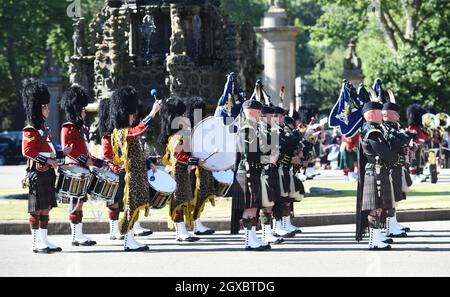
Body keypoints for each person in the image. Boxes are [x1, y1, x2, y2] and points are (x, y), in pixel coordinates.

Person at [110, 86, 161, 251]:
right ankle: (128, 240)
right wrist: (152, 113)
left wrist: (150, 161)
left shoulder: (126, 130)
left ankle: (130, 239)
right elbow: (138, 130)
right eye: (131, 113)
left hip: (137, 175)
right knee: (131, 206)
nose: (133, 117)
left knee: (136, 205)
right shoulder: (121, 132)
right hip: (130, 175)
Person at [22, 80, 64, 253]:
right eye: (45, 106)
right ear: (37, 108)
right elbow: (28, 151)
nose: (48, 109)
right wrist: (48, 161)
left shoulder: (44, 130)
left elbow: (49, 151)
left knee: (46, 207)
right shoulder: (30, 130)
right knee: (36, 209)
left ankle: (44, 240)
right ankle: (35, 243)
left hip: (47, 173)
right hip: (36, 173)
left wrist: (61, 154)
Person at [60, 85, 104, 246]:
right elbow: (68, 151)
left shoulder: (80, 129)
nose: (85, 111)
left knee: (79, 202)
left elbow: (85, 151)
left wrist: (98, 161)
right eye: (82, 108)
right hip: (74, 169)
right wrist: (85, 161)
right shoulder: (68, 128)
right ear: (77, 109)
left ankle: (79, 234)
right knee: (75, 202)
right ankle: (75, 236)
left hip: (82, 169)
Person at [356, 101, 399, 250]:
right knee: (375, 208)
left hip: (378, 170)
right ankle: (373, 240)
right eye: (379, 112)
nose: (383, 114)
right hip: (376, 171)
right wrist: (398, 159)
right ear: (371, 114)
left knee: (379, 207)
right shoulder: (372, 132)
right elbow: (384, 152)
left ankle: (377, 235)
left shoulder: (374, 129)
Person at [160, 97, 203, 242]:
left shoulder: (175, 134)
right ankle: (180, 232)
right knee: (178, 202)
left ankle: (182, 230)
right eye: (183, 115)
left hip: (180, 172)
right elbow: (180, 157)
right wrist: (196, 161)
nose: (186, 117)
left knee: (181, 201)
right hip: (179, 172)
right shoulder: (181, 135)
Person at [232, 100, 271, 250]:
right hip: (248, 171)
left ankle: (253, 238)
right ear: (253, 112)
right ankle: (249, 241)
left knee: (253, 207)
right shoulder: (248, 129)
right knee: (250, 208)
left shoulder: (253, 128)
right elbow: (249, 154)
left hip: (253, 170)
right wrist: (268, 158)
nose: (261, 114)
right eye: (259, 111)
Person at [185, 97, 216, 236]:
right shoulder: (187, 129)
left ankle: (196, 222)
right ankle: (194, 224)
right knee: (193, 195)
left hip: (200, 166)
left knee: (199, 194)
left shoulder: (198, 128)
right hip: (191, 167)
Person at [381, 102, 413, 237]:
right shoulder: (383, 128)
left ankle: (393, 222)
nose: (398, 116)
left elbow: (404, 140)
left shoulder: (394, 126)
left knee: (396, 198)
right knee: (391, 198)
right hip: (390, 166)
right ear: (387, 114)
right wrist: (404, 138)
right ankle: (389, 225)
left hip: (398, 165)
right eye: (396, 113)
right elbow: (395, 142)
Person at [259, 105, 284, 245]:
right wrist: (269, 159)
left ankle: (268, 232)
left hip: (271, 168)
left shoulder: (270, 129)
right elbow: (254, 155)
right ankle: (265, 234)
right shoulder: (260, 130)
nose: (273, 118)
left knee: (271, 203)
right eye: (270, 116)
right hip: (264, 169)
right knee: (266, 203)